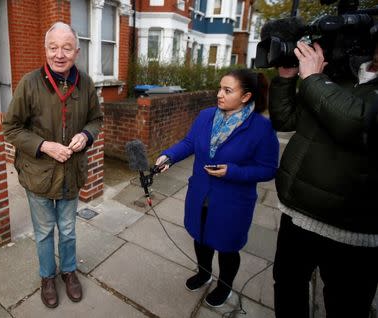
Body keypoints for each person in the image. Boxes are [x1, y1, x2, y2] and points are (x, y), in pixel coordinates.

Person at [269, 39, 378, 318]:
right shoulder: (340, 74)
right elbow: (285, 119)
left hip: (351, 231)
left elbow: (358, 123)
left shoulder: (319, 78)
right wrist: (286, 78)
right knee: (288, 286)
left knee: (346, 306)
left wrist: (314, 78)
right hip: (297, 214)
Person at [155, 69, 279, 307]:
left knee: (227, 247)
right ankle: (204, 274)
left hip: (232, 203)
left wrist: (233, 172)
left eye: (227, 90)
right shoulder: (206, 116)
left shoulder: (261, 128)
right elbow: (189, 143)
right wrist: (168, 156)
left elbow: (268, 169)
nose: (219, 94)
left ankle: (225, 286)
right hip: (200, 193)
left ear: (246, 97)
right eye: (220, 88)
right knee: (200, 238)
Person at [3, 22, 103, 308]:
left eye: (67, 48)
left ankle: (69, 272)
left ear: (77, 51)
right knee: (45, 231)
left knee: (69, 229)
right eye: (53, 47)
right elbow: (10, 128)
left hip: (71, 174)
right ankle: (47, 277)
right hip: (38, 175)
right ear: (45, 49)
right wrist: (44, 145)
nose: (60, 54)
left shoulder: (86, 83)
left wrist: (86, 136)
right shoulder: (29, 83)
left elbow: (96, 120)